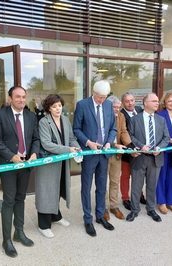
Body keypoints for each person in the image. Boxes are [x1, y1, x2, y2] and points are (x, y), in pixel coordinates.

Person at [0, 86, 40, 257]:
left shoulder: (31, 116)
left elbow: (35, 138)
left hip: (26, 164)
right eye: (17, 97)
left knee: (21, 198)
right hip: (8, 165)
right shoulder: (0, 115)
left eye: (23, 97)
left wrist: (34, 153)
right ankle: (7, 240)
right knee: (9, 200)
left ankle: (18, 232)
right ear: (10, 98)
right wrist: (11, 156)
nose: (21, 100)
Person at [73, 80, 116, 237]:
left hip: (104, 153)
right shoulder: (82, 105)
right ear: (93, 93)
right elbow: (76, 129)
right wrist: (88, 142)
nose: (102, 100)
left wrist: (109, 142)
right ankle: (88, 219)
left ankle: (100, 216)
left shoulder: (108, 105)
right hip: (89, 153)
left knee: (101, 186)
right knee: (86, 186)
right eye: (99, 97)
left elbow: (113, 128)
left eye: (104, 97)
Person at [35, 94, 80, 238]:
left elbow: (72, 138)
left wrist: (77, 148)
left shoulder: (65, 120)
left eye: (59, 105)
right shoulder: (44, 122)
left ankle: (56, 216)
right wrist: (68, 150)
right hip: (48, 164)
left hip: (62, 163)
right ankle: (43, 225)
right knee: (46, 192)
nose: (58, 108)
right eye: (54, 106)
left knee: (58, 189)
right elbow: (46, 143)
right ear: (48, 108)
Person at [126, 93, 170, 223]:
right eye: (154, 101)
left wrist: (159, 148)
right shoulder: (134, 119)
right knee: (136, 186)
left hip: (156, 158)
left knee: (152, 185)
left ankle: (151, 209)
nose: (157, 103)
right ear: (145, 103)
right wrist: (141, 146)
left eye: (157, 101)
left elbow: (166, 138)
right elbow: (131, 136)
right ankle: (134, 210)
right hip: (140, 157)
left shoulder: (161, 120)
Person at [104, 95, 132, 220]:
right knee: (102, 182)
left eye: (118, 107)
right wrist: (115, 144)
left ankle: (113, 205)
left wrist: (130, 145)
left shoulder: (120, 116)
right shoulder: (103, 115)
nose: (117, 109)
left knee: (115, 181)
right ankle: (103, 207)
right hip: (104, 153)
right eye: (114, 107)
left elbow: (124, 131)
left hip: (117, 154)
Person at [120, 92, 144, 211]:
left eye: (132, 100)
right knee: (125, 176)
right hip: (128, 150)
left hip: (141, 150)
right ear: (123, 103)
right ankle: (125, 198)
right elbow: (123, 133)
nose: (130, 103)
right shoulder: (121, 115)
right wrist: (130, 149)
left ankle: (139, 194)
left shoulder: (140, 110)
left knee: (139, 175)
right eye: (127, 101)